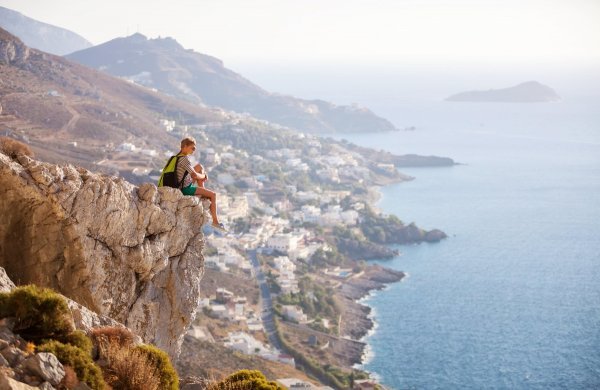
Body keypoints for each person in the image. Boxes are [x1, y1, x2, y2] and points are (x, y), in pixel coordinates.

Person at [176, 137, 226, 232]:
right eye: (192, 148)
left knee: (200, 166)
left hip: (182, 183)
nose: (194, 150)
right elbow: (194, 174)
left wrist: (201, 175)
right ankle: (215, 222)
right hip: (184, 188)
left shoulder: (177, 157)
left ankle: (203, 191)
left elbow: (194, 172)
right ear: (185, 146)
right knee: (213, 195)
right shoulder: (184, 159)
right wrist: (203, 176)